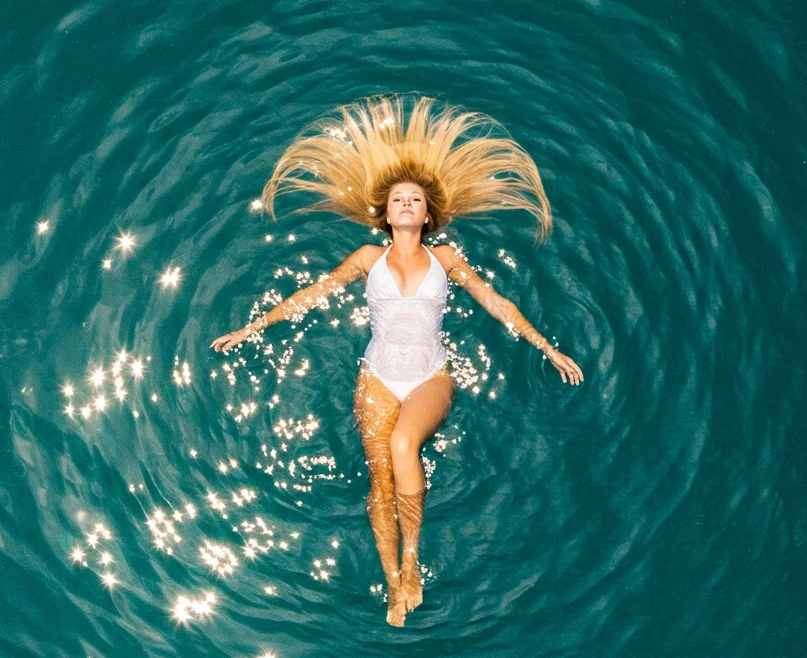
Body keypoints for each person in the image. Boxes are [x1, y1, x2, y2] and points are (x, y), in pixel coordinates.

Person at [211, 95, 583, 627]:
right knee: (379, 481)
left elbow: (495, 302)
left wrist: (546, 347)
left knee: (405, 444)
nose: (406, 203)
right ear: (385, 216)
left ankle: (412, 562)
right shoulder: (369, 258)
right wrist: (253, 327)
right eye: (398, 200)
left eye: (415, 199)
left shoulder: (445, 258)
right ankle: (393, 582)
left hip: (430, 377)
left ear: (428, 216)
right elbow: (313, 294)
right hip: (378, 378)